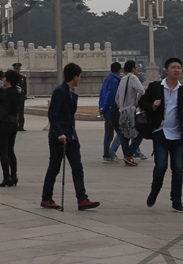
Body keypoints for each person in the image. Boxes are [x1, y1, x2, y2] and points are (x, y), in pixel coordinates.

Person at [139, 57, 183, 212]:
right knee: (161, 166)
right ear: (166, 70)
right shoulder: (156, 87)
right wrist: (152, 105)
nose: (176, 70)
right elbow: (142, 102)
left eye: (179, 67)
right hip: (160, 132)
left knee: (178, 169)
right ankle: (154, 191)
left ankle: (176, 201)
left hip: (177, 135)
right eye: (173, 67)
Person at [42, 62, 99, 211]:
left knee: (77, 167)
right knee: (54, 167)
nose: (80, 79)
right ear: (75, 77)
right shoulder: (60, 91)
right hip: (58, 137)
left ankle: (82, 198)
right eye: (79, 76)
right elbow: (52, 115)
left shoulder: (70, 92)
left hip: (71, 136)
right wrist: (59, 133)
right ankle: (46, 197)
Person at [0, 69, 24, 186]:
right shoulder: (17, 92)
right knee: (11, 150)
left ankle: (6, 177)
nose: (3, 80)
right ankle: (14, 176)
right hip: (13, 122)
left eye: (5, 78)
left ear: (8, 81)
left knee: (3, 151)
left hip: (2, 122)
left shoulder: (2, 92)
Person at [116, 59, 145, 164]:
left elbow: (117, 96)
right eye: (136, 67)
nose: (137, 69)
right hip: (131, 109)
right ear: (133, 69)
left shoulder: (122, 79)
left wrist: (120, 106)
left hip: (122, 110)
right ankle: (129, 155)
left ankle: (127, 156)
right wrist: (138, 102)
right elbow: (141, 90)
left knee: (125, 133)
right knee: (140, 132)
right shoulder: (133, 77)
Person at [98, 61, 123, 161]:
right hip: (111, 111)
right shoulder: (115, 81)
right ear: (119, 70)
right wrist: (105, 107)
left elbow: (102, 93)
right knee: (121, 133)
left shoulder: (107, 79)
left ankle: (106, 154)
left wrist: (101, 107)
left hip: (105, 110)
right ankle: (111, 153)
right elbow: (110, 96)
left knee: (108, 133)